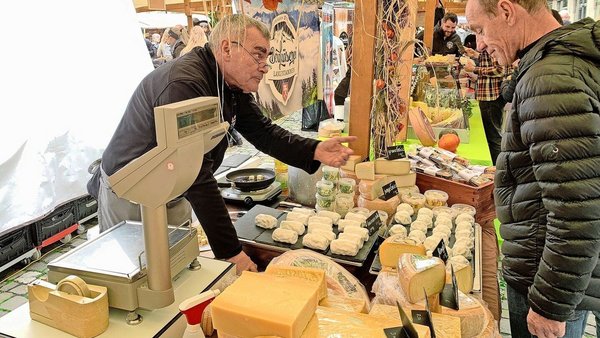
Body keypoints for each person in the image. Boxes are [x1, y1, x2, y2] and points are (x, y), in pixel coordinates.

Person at [87, 14, 356, 275]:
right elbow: (197, 174)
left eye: (267, 57)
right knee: (139, 273)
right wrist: (230, 251)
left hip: (173, 186)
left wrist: (315, 150)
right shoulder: (185, 84)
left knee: (178, 269)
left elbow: (263, 133)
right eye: (258, 54)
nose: (265, 66)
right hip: (133, 191)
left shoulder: (228, 84)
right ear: (227, 48)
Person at [466, 0, 600, 337]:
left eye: (481, 30)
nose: (480, 44)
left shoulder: (553, 79)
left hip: (548, 278)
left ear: (507, 11)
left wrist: (548, 305)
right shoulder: (562, 64)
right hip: (569, 275)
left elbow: (576, 211)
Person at [463, 47, 510, 164]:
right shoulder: (489, 45)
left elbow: (500, 70)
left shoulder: (493, 44)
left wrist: (475, 69)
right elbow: (490, 61)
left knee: (493, 137)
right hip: (488, 95)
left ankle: (498, 170)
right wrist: (477, 55)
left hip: (491, 96)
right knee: (491, 135)